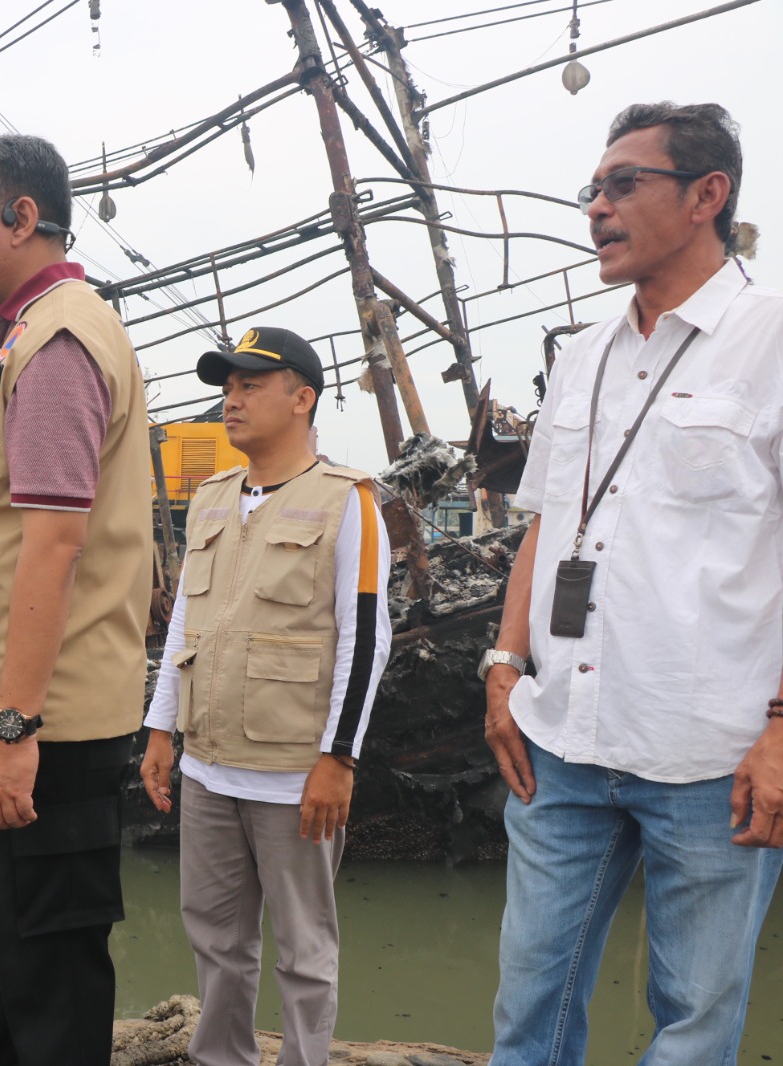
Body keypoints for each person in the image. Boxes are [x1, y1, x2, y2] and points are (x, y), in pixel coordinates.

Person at [483, 102, 783, 1065]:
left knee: (692, 1025)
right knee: (529, 1008)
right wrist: (502, 663)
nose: (597, 209)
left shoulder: (770, 342)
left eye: (623, 185)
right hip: (560, 739)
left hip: (711, 753)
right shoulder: (581, 357)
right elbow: (545, 525)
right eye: (592, 190)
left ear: (708, 195)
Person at [0, 133, 152, 1065]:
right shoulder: (26, 335)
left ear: (22, 219)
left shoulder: (55, 343)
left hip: (33, 731)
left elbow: (52, 545)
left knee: (48, 994)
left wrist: (14, 733)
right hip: (0, 712)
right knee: (5, 971)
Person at [139, 326, 392, 1066]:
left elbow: (364, 638)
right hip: (208, 768)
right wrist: (161, 731)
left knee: (304, 949)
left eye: (251, 384)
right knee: (216, 939)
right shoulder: (214, 500)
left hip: (293, 773)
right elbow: (186, 618)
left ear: (302, 398)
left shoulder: (348, 503)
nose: (232, 399)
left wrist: (338, 758)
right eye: (229, 385)